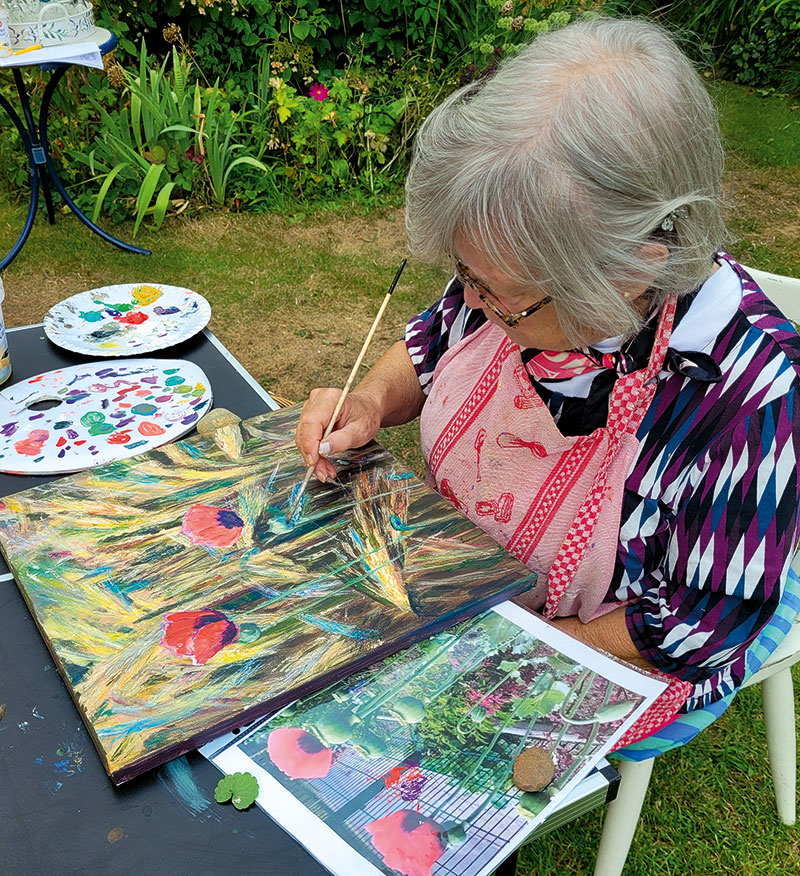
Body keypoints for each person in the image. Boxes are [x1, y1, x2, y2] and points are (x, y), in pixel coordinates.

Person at [295, 16, 800, 744]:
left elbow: (701, 622)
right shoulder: (509, 269)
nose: (469, 300)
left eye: (498, 293)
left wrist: (522, 654)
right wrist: (370, 398)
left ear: (627, 273)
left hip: (610, 643)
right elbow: (433, 342)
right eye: (464, 274)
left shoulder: (751, 399)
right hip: (472, 586)